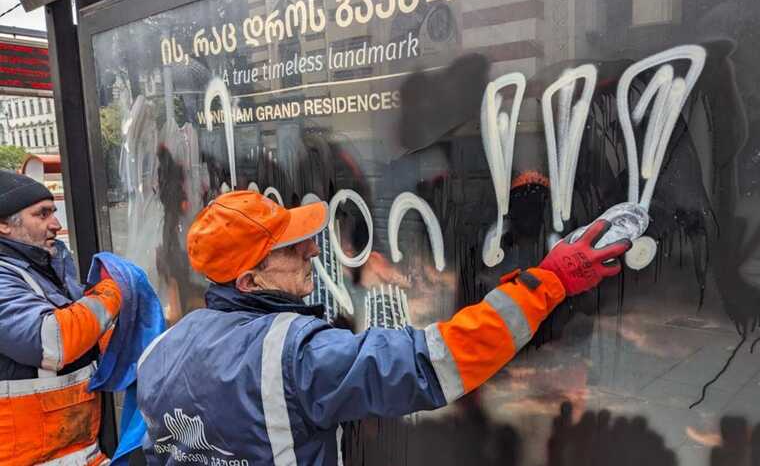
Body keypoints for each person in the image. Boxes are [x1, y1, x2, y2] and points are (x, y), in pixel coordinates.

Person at [137, 191, 631, 465]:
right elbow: (435, 361)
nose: (311, 250)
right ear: (249, 279)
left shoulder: (160, 349)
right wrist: (549, 281)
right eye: (290, 249)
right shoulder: (294, 356)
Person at [0, 171, 122, 465]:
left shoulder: (44, 267)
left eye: (53, 212)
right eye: (42, 214)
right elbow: (52, 342)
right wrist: (113, 292)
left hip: (77, 451)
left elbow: (88, 339)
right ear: (3, 224)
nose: (55, 224)